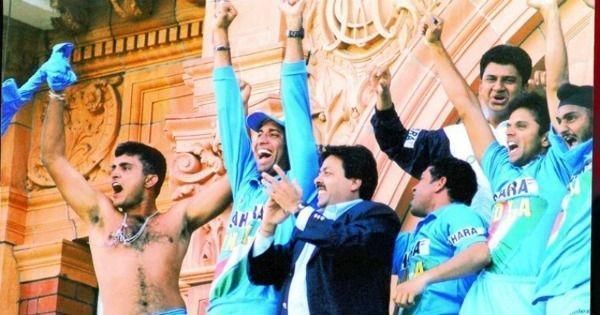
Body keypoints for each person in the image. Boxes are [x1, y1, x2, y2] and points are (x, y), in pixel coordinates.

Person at [413, 14, 590, 315]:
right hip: (484, 293)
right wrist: (435, 46)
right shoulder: (501, 169)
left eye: (521, 126)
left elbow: (556, 89)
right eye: (509, 126)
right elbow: (466, 107)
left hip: (529, 295)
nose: (509, 131)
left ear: (547, 137)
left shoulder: (559, 166)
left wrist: (550, 12)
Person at [41, 59, 233, 315]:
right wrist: (56, 94)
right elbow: (53, 158)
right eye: (113, 169)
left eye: (125, 168)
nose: (114, 175)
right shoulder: (102, 216)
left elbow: (235, 178)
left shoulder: (177, 219)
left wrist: (235, 111)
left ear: (150, 180)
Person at [208, 0, 320, 313]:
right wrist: (220, 36)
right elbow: (229, 113)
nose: (262, 140)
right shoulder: (246, 184)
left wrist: (293, 29)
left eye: (273, 134)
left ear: (287, 146)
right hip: (218, 304)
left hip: (263, 304)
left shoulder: (299, 183)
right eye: (258, 134)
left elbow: (296, 108)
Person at [370, 36, 532, 222]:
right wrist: (383, 97)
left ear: (525, 87)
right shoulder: (452, 137)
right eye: (491, 79)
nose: (498, 87)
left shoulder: (538, 134)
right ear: (480, 86)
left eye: (509, 80)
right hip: (465, 242)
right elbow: (397, 142)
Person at [248, 145, 400, 315]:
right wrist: (268, 226)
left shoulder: (378, 216)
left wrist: (297, 207)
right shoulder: (309, 225)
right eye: (319, 173)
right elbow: (262, 274)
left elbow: (344, 241)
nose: (317, 180)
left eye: (327, 173)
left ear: (355, 182)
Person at [528, 1, 593, 313]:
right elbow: (556, 86)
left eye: (572, 118)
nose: (562, 126)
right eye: (560, 119)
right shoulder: (573, 163)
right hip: (554, 292)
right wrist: (549, 11)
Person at [392, 157, 490, 314]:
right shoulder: (414, 238)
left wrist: (422, 279)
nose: (414, 188)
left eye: (422, 179)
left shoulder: (458, 213)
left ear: (440, 183)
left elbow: (479, 253)